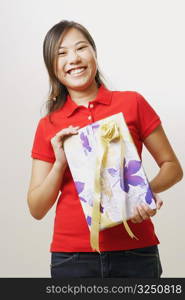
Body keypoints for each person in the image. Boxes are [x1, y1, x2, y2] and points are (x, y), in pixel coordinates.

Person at [27, 20, 183, 279]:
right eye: (61, 53)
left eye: (81, 48)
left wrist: (143, 194)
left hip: (136, 252)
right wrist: (59, 163)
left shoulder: (132, 103)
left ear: (94, 53)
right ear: (52, 67)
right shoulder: (49, 125)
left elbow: (173, 168)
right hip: (72, 258)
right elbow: (36, 208)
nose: (74, 59)